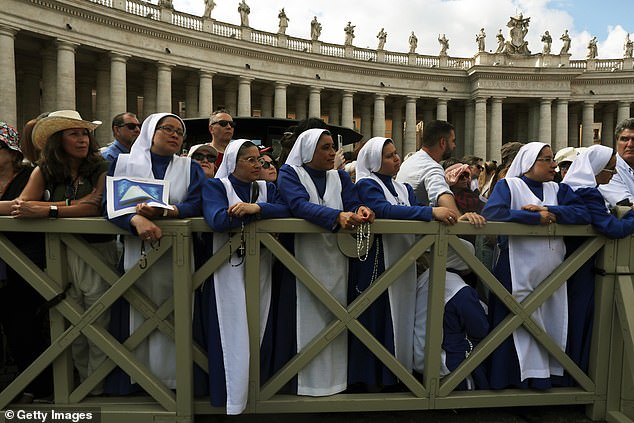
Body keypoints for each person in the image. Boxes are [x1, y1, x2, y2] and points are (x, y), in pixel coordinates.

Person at [11, 110, 118, 395]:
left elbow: (94, 208)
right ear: (59, 140)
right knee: (69, 321)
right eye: (74, 134)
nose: (83, 139)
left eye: (85, 133)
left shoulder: (101, 166)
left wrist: (48, 209)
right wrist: (71, 205)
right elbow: (22, 205)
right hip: (59, 254)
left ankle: (97, 389)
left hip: (97, 252)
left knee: (99, 320)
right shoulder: (45, 170)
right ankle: (80, 386)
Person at [104, 112, 205, 393]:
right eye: (168, 129)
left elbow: (197, 203)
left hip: (179, 255)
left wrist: (171, 211)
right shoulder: (122, 163)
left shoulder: (190, 167)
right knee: (138, 312)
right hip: (136, 254)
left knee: (180, 313)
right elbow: (108, 204)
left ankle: (180, 383)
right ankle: (135, 382)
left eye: (180, 132)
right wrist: (133, 220)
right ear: (150, 132)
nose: (175, 135)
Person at [274, 128, 374, 396]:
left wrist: (359, 210)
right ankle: (303, 383)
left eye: (332, 147)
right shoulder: (289, 173)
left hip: (335, 258)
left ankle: (335, 381)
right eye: (325, 148)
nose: (332, 153)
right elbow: (297, 205)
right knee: (304, 316)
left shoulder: (340, 176)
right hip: (301, 257)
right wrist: (336, 217)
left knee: (336, 316)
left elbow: (352, 202)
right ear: (308, 151)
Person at [481, 142, 590, 390]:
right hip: (516, 268)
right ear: (529, 162)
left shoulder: (558, 189)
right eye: (547, 160)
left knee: (551, 323)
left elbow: (584, 214)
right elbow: (493, 214)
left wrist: (550, 210)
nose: (554, 166)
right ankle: (510, 382)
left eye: (553, 159)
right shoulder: (509, 185)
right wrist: (533, 218)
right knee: (514, 325)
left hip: (553, 272)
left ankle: (545, 381)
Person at [350, 137, 455, 390]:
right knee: (378, 317)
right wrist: (431, 213)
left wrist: (436, 212)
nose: (396, 159)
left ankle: (397, 374)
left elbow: (417, 207)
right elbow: (383, 210)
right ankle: (372, 379)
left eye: (396, 154)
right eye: (388, 156)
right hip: (379, 262)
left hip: (405, 262)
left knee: (402, 317)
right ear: (374, 161)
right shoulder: (367, 184)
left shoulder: (403, 188)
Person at [197, 139, 289, 414]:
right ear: (232, 164)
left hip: (261, 267)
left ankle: (256, 392)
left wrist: (256, 209)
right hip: (225, 268)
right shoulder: (217, 186)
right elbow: (217, 219)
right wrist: (253, 216)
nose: (258, 165)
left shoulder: (266, 188)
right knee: (231, 331)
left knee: (258, 325)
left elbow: (289, 208)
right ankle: (230, 397)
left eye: (258, 160)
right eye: (249, 160)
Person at [561, 145, 634, 384]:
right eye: (610, 169)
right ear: (597, 168)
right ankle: (578, 376)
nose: (613, 175)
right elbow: (612, 229)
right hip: (581, 265)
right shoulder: (588, 192)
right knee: (579, 318)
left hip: (567, 262)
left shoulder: (569, 187)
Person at [0, 122, 52, 403]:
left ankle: (39, 387)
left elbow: (24, 205)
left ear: (11, 152)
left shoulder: (30, 174)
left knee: (23, 326)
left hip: (25, 261)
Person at [413, 239, 489, 390]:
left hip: (416, 357)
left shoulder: (425, 278)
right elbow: (480, 328)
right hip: (442, 362)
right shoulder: (459, 288)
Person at [395, 120, 486, 226]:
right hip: (419, 235)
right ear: (442, 142)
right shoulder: (431, 167)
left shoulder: (409, 161)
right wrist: (458, 217)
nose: (454, 146)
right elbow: (441, 193)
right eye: (453, 141)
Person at [599, 118, 634, 207]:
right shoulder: (608, 169)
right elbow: (627, 205)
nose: (630, 145)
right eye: (624, 139)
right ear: (617, 141)